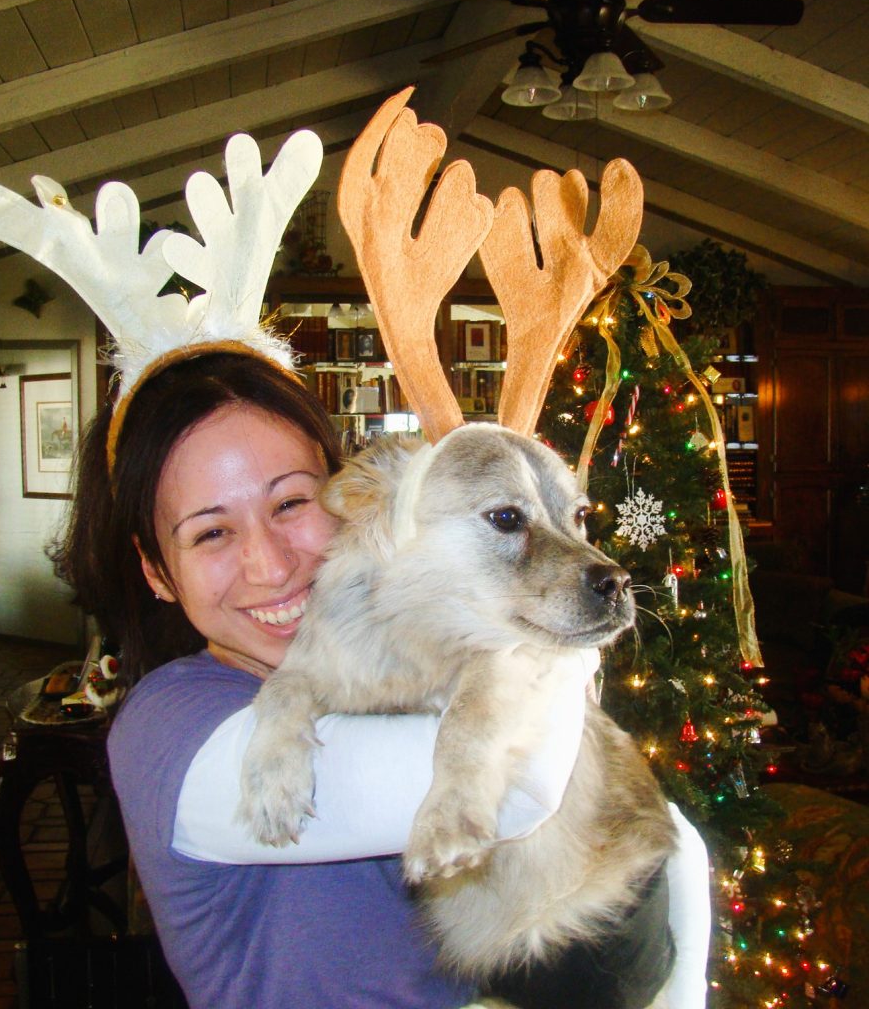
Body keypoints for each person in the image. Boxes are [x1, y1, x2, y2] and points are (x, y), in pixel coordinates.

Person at [53, 345, 710, 1009]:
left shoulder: (398, 656)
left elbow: (669, 838)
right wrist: (559, 626)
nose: (270, 565)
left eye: (289, 505)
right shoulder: (165, 730)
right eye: (211, 533)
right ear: (157, 570)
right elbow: (523, 790)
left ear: (355, 503)